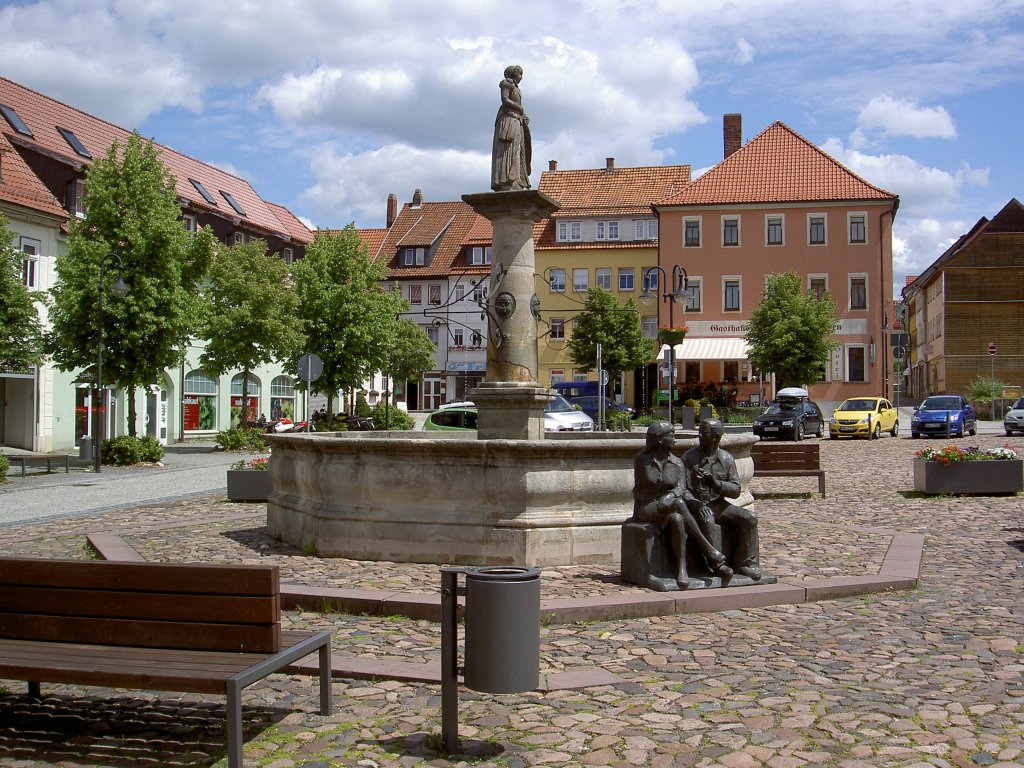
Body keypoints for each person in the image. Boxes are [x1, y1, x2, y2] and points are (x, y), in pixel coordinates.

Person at [633, 422, 733, 588]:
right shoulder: (642, 461)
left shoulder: (677, 463)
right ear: (659, 439)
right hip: (648, 507)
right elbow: (638, 490)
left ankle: (682, 568)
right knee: (678, 503)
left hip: (671, 506)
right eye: (671, 435)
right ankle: (710, 552)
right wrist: (662, 499)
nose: (675, 439)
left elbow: (681, 488)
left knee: (678, 519)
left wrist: (669, 496)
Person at [681, 419, 762, 580]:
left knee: (749, 518)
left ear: (716, 437)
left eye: (704, 433)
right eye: (700, 431)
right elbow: (682, 489)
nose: (700, 435)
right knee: (707, 519)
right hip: (697, 505)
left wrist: (716, 484)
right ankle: (716, 565)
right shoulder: (689, 458)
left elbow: (735, 490)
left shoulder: (726, 459)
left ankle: (745, 563)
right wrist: (696, 505)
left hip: (718, 503)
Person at [491, 65, 531, 192]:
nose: (521, 77)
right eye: (520, 74)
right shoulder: (506, 83)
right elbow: (505, 100)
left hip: (516, 119)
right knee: (508, 149)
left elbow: (517, 105)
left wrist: (523, 115)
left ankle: (518, 180)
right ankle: (507, 179)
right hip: (508, 119)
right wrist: (519, 109)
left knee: (518, 149)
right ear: (515, 74)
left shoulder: (516, 88)